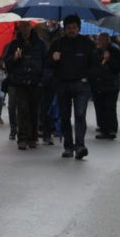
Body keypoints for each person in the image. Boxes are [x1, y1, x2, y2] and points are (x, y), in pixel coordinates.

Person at [47, 14, 95, 160]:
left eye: (74, 28)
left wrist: (87, 77)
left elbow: (94, 64)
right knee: (65, 116)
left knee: (80, 114)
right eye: (68, 28)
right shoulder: (57, 44)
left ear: (78, 28)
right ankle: (68, 146)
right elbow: (48, 64)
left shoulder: (87, 44)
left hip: (81, 85)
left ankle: (80, 145)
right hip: (63, 84)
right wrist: (53, 59)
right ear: (64, 29)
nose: (71, 30)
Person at [2, 20, 47, 150]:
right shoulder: (14, 44)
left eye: (27, 26)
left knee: (33, 110)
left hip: (35, 82)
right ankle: (22, 138)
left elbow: (45, 63)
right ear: (20, 27)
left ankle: (33, 137)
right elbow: (7, 64)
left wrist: (41, 80)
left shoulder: (40, 44)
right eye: (23, 26)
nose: (25, 29)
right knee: (22, 109)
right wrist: (14, 58)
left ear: (31, 27)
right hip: (20, 82)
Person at [88, 32, 120, 140]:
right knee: (100, 107)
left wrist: (110, 60)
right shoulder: (95, 51)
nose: (98, 42)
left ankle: (112, 129)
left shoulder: (115, 50)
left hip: (111, 84)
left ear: (106, 41)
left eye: (100, 40)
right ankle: (103, 128)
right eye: (97, 39)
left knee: (110, 107)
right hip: (97, 83)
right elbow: (92, 65)